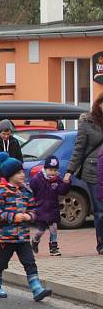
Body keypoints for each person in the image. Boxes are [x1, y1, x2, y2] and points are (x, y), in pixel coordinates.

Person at [0, 151, 52, 301]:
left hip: (23, 236)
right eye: (18, 173)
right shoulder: (0, 192)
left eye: (22, 171)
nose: (22, 175)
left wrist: (30, 216)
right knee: (1, 262)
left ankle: (37, 289)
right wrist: (13, 216)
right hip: (6, 237)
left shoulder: (26, 191)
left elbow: (34, 208)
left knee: (29, 262)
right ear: (10, 175)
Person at [67, 94, 103, 255]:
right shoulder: (87, 122)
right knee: (100, 211)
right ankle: (101, 244)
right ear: (99, 104)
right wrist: (69, 171)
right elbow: (79, 149)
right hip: (94, 171)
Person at [31, 155, 70, 256]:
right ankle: (35, 241)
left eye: (55, 170)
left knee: (53, 229)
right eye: (50, 170)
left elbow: (62, 191)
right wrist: (32, 204)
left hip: (53, 209)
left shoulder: (57, 180)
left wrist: (66, 183)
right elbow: (31, 190)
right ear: (45, 168)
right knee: (40, 231)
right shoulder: (37, 179)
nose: (53, 172)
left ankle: (54, 248)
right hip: (41, 209)